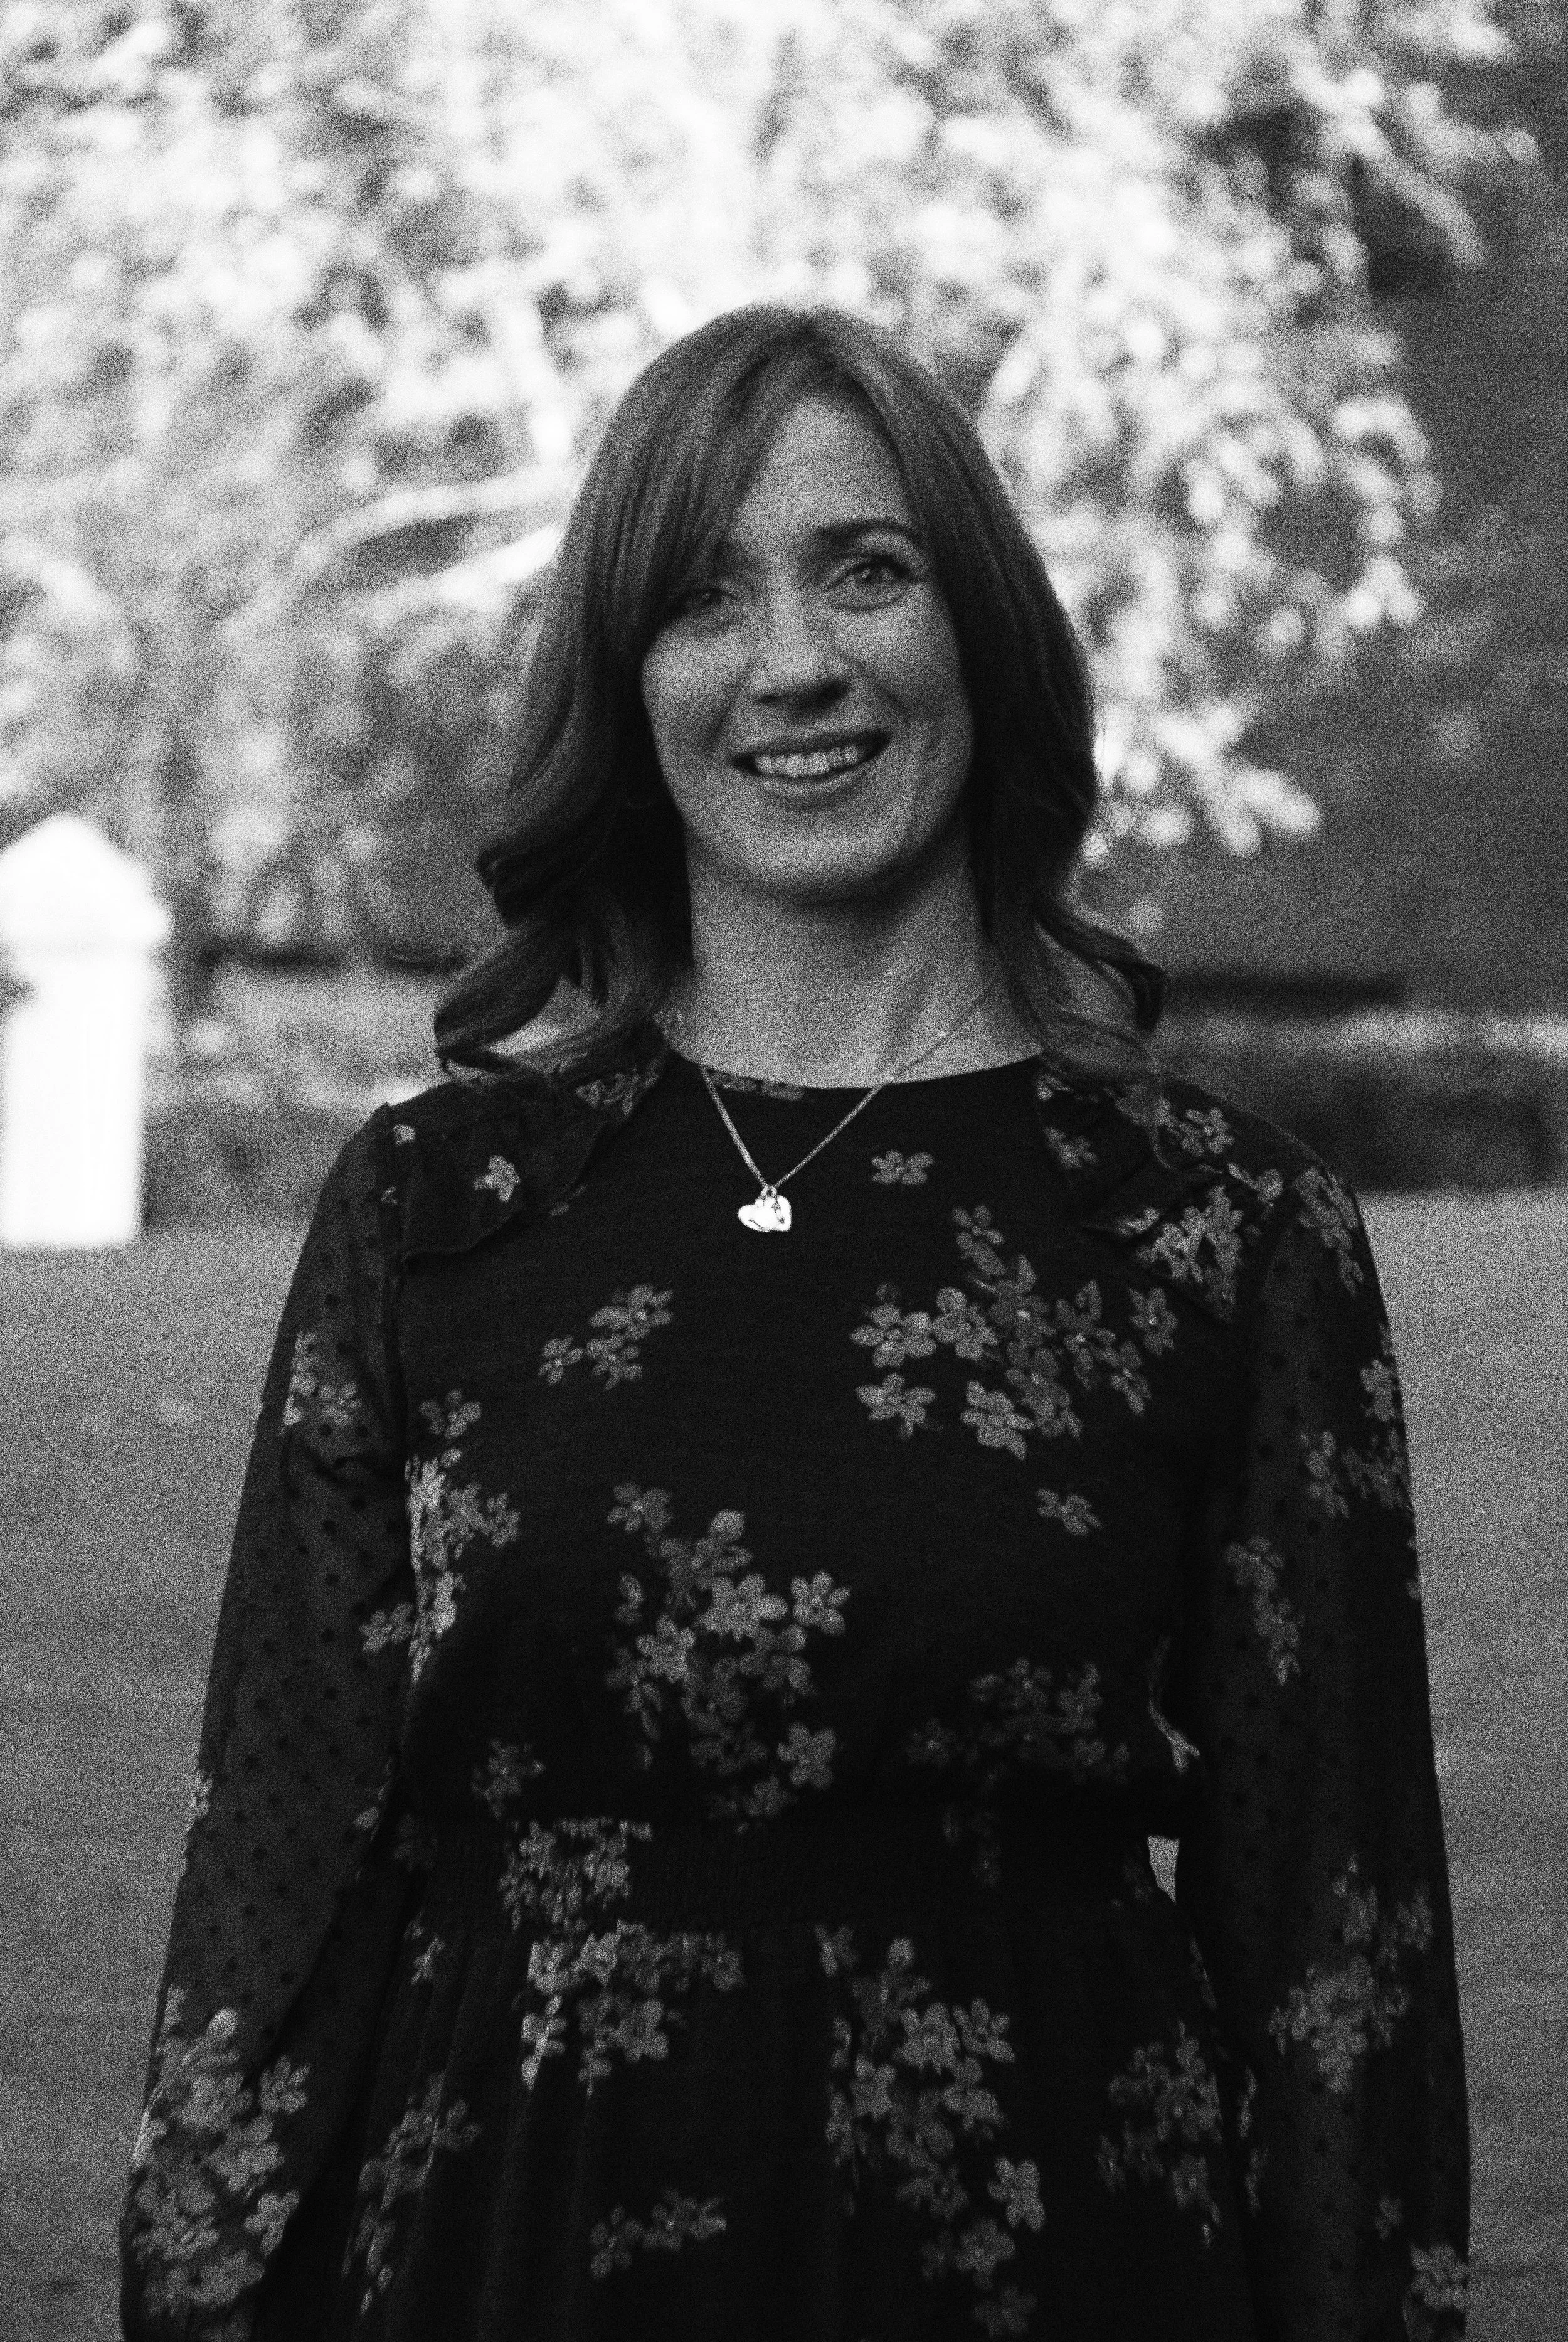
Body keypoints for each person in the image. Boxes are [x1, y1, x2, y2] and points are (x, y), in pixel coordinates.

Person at [120, 306, 1469, 2342]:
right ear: (624, 684)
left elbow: (1335, 1943)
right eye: (702, 598)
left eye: (864, 567)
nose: (795, 663)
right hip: (512, 2252)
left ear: (980, 634)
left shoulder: (1219, 1233)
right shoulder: (439, 1215)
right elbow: (281, 1874)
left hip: (1061, 2266)